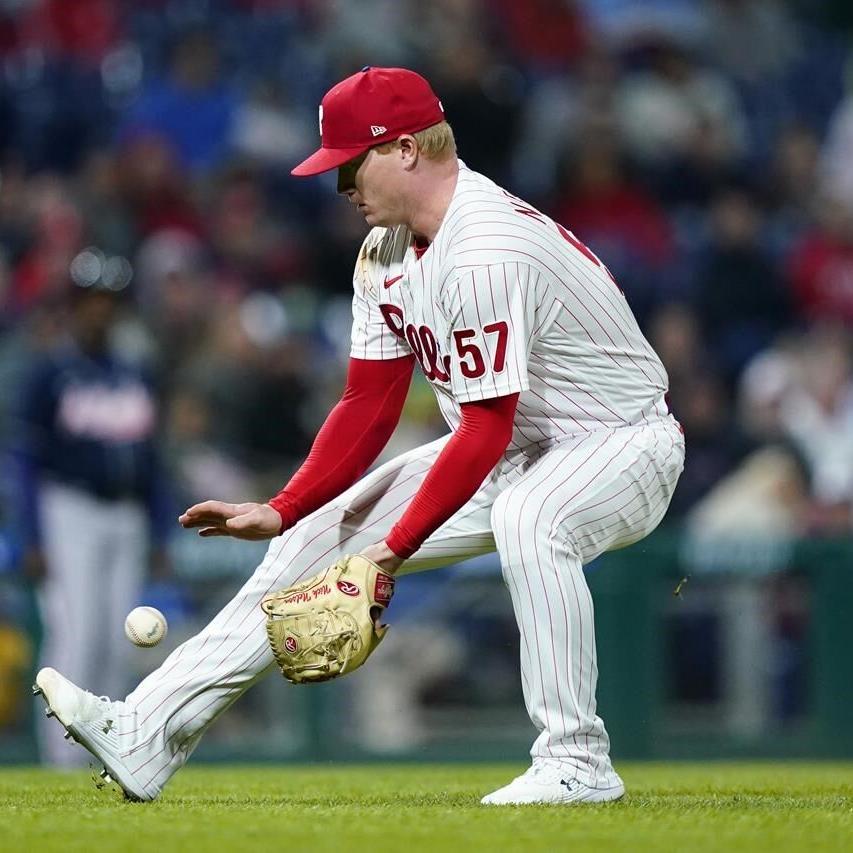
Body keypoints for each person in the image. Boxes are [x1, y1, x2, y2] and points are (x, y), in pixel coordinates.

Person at [34, 67, 684, 804]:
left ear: (405, 149)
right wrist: (286, 505)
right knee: (315, 538)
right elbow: (368, 402)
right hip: (522, 446)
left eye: (350, 163)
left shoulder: (483, 246)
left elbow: (482, 428)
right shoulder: (384, 250)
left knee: (529, 517)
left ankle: (576, 758)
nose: (339, 185)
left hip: (623, 441)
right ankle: (148, 730)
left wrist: (390, 549)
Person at [13, 278, 169, 766]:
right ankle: (61, 764)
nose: (100, 310)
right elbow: (25, 462)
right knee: (77, 635)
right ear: (75, 306)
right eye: (91, 300)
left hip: (127, 514)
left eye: (109, 301)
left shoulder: (134, 373)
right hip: (69, 509)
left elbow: (152, 461)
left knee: (117, 643)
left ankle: (106, 756)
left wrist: (160, 533)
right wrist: (32, 535)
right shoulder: (51, 373)